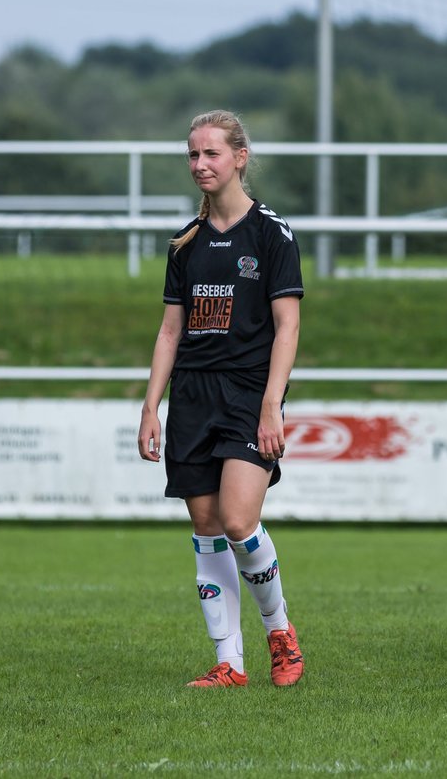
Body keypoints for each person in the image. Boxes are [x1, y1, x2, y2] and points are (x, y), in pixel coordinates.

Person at [138, 110, 305, 688]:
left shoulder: (271, 234)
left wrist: (269, 405)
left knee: (239, 519)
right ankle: (229, 663)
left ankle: (279, 632)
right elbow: (169, 333)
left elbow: (287, 327)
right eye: (192, 154)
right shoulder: (185, 243)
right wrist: (150, 406)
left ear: (240, 158)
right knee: (206, 524)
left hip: (248, 394)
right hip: (192, 397)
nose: (200, 164)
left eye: (211, 153)